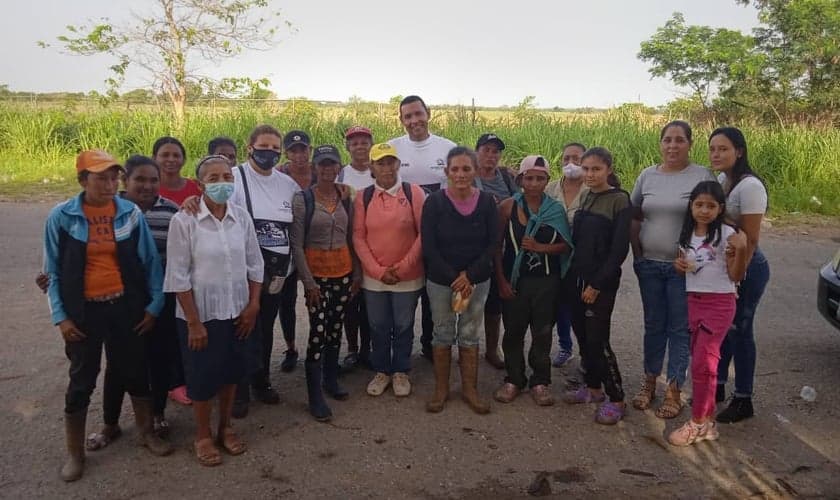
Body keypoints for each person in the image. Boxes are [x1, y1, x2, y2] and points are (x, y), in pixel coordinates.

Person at [44, 150, 170, 481]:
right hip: (83, 312)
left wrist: (154, 305)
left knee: (134, 370)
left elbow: (149, 263)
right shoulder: (62, 217)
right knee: (82, 379)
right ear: (83, 180)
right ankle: (76, 454)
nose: (110, 184)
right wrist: (61, 317)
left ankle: (145, 433)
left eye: (113, 177)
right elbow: (53, 272)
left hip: (125, 307)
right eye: (101, 177)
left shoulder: (129, 214)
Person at [164, 155, 263, 467]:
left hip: (238, 312)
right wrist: (193, 322)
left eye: (226, 177)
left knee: (231, 373)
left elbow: (255, 264)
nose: (222, 183)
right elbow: (178, 276)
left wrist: (253, 305)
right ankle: (203, 434)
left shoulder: (242, 217)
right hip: (201, 317)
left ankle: (225, 427)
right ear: (200, 184)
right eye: (214, 178)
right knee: (202, 378)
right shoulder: (184, 221)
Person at [630, 120, 716, 419]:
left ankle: (674, 389)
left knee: (679, 329)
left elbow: (711, 218)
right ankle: (649, 381)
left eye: (679, 140)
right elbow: (635, 215)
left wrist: (696, 257)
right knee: (654, 325)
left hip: (684, 270)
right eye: (667, 140)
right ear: (660, 143)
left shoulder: (701, 175)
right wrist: (637, 254)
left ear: (690, 143)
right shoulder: (647, 176)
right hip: (650, 265)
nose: (672, 146)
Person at [669, 181, 748, 446]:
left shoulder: (727, 235)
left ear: (720, 209)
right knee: (703, 361)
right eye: (699, 205)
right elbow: (686, 268)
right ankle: (708, 421)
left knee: (704, 363)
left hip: (720, 302)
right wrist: (679, 266)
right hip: (694, 300)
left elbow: (737, 275)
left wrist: (742, 249)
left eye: (710, 206)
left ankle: (698, 423)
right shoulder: (687, 234)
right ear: (691, 206)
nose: (704, 211)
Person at [229, 124, 300, 417]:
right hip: (242, 273)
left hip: (277, 274)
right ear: (249, 148)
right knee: (243, 329)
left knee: (265, 328)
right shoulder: (233, 178)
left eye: (274, 149)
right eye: (263, 147)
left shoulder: (287, 184)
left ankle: (261, 381)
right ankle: (239, 390)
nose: (268, 153)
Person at [422, 146, 497, 414]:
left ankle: (470, 390)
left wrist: (470, 276)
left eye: (466, 168)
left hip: (476, 281)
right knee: (442, 332)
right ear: (447, 172)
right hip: (443, 281)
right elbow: (429, 247)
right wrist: (455, 278)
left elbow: (492, 245)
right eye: (455, 169)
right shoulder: (434, 202)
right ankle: (441, 390)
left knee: (469, 333)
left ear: (475, 171)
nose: (461, 174)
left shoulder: (488, 202)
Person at [493, 155, 573, 407]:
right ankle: (514, 378)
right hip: (515, 280)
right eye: (529, 178)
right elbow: (496, 247)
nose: (535, 183)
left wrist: (540, 247)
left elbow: (565, 246)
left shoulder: (555, 209)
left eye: (540, 178)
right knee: (513, 331)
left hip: (546, 282)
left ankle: (540, 381)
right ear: (520, 180)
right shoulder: (507, 207)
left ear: (547, 181)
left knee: (542, 332)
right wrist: (501, 280)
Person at [560, 148, 632, 425]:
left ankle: (617, 398)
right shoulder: (587, 196)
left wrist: (597, 284)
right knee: (583, 337)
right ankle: (593, 389)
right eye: (586, 168)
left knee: (598, 341)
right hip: (577, 278)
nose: (589, 174)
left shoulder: (619, 200)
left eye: (596, 169)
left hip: (600, 284)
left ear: (608, 170)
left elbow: (618, 251)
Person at [289, 145, 360, 422]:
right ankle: (314, 396)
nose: (327, 170)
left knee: (335, 328)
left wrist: (355, 273)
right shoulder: (303, 199)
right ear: (315, 167)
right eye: (322, 165)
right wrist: (308, 283)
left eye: (332, 165)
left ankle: (330, 380)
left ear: (338, 167)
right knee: (318, 333)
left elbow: (351, 235)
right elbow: (296, 244)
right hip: (316, 277)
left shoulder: (345, 196)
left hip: (342, 272)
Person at [353, 143, 426, 397]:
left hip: (408, 276)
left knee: (404, 324)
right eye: (380, 163)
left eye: (390, 162)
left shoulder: (413, 193)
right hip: (375, 278)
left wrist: (402, 268)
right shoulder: (363, 197)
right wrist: (377, 270)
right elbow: (358, 237)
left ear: (398, 164)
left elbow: (422, 235)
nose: (386, 168)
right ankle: (382, 369)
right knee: (378, 324)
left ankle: (401, 370)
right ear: (371, 167)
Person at [709, 127, 770, 424]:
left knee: (741, 330)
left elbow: (752, 238)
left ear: (739, 152)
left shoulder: (750, 187)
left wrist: (737, 275)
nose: (716, 154)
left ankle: (744, 398)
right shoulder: (723, 180)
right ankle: (718, 386)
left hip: (747, 266)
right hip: (728, 266)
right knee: (725, 328)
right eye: (713, 149)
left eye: (723, 149)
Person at [388, 95, 456, 360]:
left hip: (439, 236)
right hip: (402, 234)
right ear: (401, 120)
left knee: (434, 293)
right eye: (408, 116)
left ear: (428, 113)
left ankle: (431, 344)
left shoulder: (448, 148)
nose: (414, 120)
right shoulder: (392, 149)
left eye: (418, 114)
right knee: (403, 292)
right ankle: (398, 347)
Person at [273, 129, 316, 372]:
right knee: (286, 302)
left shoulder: (319, 173)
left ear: (309, 150)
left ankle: (316, 347)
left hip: (314, 246)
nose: (299, 155)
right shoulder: (279, 174)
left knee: (315, 298)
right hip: (287, 247)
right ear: (286, 153)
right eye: (293, 150)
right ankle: (291, 348)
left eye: (303, 150)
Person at [474, 133, 518, 370]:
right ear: (476, 151)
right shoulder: (467, 176)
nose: (491, 155)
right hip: (475, 247)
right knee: (467, 301)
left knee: (495, 303)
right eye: (486, 150)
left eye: (496, 151)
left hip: (503, 248)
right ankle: (466, 348)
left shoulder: (505, 177)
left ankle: (493, 349)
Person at [545, 142, 587, 368]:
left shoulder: (591, 190)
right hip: (554, 257)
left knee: (580, 307)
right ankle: (565, 347)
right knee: (559, 304)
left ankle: (587, 353)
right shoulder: (550, 189)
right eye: (566, 159)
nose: (571, 164)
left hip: (581, 259)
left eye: (577, 159)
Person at [339, 126, 375, 370]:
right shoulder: (340, 174)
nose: (359, 146)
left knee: (372, 303)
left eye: (364, 141)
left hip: (376, 247)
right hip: (348, 248)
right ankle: (352, 349)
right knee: (351, 301)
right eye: (354, 143)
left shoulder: (380, 171)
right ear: (348, 147)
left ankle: (367, 349)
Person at [154, 136, 201, 204]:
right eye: (165, 155)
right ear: (154, 158)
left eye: (176, 155)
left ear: (184, 160)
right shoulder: (149, 189)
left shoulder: (197, 188)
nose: (171, 159)